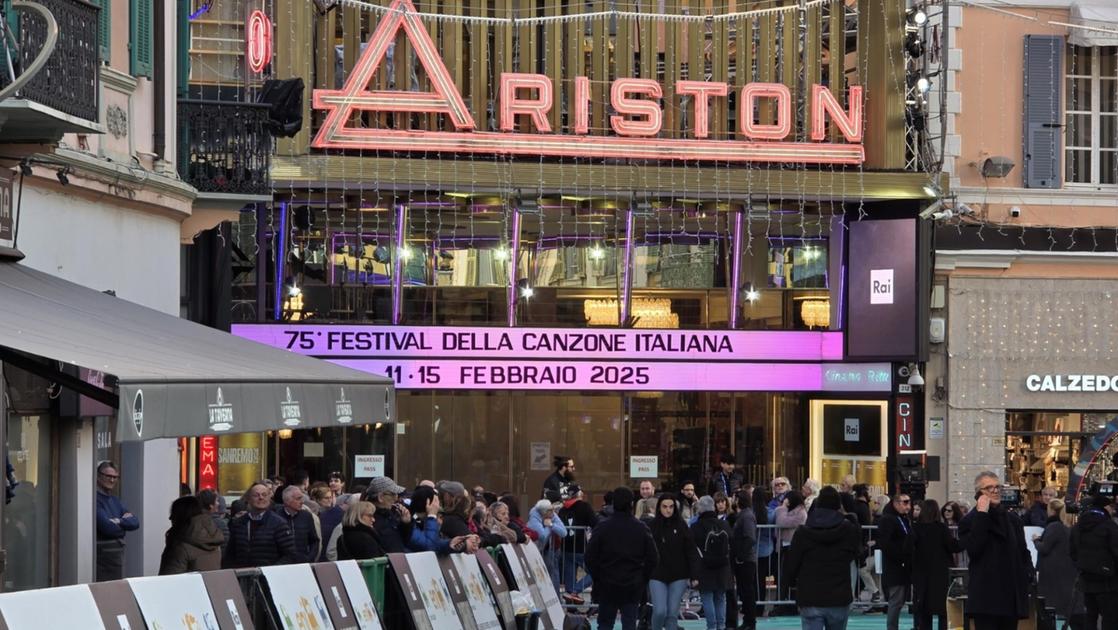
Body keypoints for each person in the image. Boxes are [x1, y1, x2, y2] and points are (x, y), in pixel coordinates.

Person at [958, 471, 1032, 630]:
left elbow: (1022, 551)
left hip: (1011, 595)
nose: (995, 490)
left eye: (997, 486)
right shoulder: (969, 521)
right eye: (988, 487)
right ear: (979, 493)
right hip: (986, 597)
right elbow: (974, 548)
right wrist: (982, 514)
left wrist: (1027, 575)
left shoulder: (1013, 520)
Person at [783, 487, 862, 630]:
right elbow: (856, 553)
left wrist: (791, 583)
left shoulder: (803, 533)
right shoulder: (848, 529)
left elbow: (792, 562)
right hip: (839, 595)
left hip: (810, 595)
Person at [586, 487, 659, 630]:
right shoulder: (641, 528)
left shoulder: (603, 527)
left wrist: (598, 575)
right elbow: (653, 557)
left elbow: (589, 556)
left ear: (613, 503)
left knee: (605, 623)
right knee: (629, 623)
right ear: (631, 504)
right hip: (632, 583)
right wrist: (643, 577)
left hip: (607, 582)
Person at [648, 493, 699, 630]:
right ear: (659, 508)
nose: (668, 510)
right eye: (664, 506)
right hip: (657, 575)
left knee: (672, 614)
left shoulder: (682, 526)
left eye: (671, 507)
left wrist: (694, 575)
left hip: (679, 575)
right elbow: (644, 551)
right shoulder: (652, 526)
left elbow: (691, 550)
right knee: (659, 611)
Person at [909, 499, 962, 630]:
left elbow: (907, 548)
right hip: (940, 575)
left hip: (922, 574)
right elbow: (953, 546)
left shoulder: (916, 528)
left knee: (924, 613)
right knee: (943, 612)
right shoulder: (941, 528)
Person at [1069, 492, 1118, 629]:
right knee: (1110, 620)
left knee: (1090, 617)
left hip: (1086, 582)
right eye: (1111, 507)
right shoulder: (1110, 526)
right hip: (1108, 584)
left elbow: (1073, 553)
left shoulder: (1077, 527)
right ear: (1105, 507)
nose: (1113, 510)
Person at [1034, 499, 1082, 630]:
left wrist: (1036, 540)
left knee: (1053, 608)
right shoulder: (1072, 528)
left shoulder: (1055, 527)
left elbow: (1045, 548)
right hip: (1068, 572)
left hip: (1053, 573)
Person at [224, 483, 296, 568]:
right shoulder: (239, 523)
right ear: (249, 499)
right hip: (243, 576)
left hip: (268, 576)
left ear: (269, 498)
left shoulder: (279, 524)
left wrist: (271, 571)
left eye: (264, 495)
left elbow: (289, 554)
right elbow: (230, 554)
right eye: (256, 495)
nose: (261, 498)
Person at [691, 496, 733, 630]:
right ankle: (721, 626)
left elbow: (692, 549)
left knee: (707, 597)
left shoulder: (696, 526)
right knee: (720, 597)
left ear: (700, 509)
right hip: (723, 566)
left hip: (704, 566)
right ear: (713, 507)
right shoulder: (724, 524)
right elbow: (731, 542)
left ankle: (711, 626)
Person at [95, 461, 139, 581]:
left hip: (115, 558)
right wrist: (123, 524)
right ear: (98, 476)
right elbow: (107, 527)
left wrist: (118, 522)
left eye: (115, 477)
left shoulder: (115, 500)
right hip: (103, 559)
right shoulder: (95, 500)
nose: (112, 480)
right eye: (108, 476)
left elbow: (135, 522)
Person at [159, 495, 224, 574]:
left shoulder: (180, 547)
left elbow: (168, 580)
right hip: (210, 585)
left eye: (173, 513)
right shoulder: (214, 541)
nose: (170, 518)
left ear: (179, 516)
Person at [877, 493, 913, 630]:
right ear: (896, 503)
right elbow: (885, 543)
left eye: (908, 503)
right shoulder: (888, 520)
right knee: (896, 601)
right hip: (895, 566)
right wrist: (901, 556)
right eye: (905, 503)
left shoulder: (903, 519)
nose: (908, 506)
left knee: (899, 601)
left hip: (902, 566)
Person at [558, 484, 598, 604]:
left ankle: (571, 606)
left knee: (569, 577)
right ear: (579, 494)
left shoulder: (562, 509)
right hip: (581, 547)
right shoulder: (584, 506)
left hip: (566, 547)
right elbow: (595, 523)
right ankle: (574, 592)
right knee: (596, 571)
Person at [528, 498, 568, 593]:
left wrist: (551, 525)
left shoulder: (551, 515)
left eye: (552, 509)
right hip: (536, 549)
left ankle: (556, 597)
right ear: (544, 512)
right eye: (550, 510)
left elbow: (564, 532)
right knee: (540, 575)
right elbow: (542, 536)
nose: (553, 512)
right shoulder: (534, 516)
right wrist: (549, 527)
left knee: (553, 574)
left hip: (550, 549)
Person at [365, 477, 414, 553]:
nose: (396, 498)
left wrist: (405, 524)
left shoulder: (390, 515)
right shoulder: (368, 518)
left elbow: (402, 541)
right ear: (380, 497)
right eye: (393, 494)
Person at [731, 489, 758, 630]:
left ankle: (750, 622)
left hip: (746, 560)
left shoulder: (746, 516)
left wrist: (740, 555)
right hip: (743, 558)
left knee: (747, 592)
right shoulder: (742, 515)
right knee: (744, 591)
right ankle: (748, 620)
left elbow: (750, 537)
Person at [850, 484, 880, 603]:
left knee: (861, 569)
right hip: (863, 544)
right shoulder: (863, 507)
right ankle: (874, 593)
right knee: (862, 569)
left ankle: (872, 593)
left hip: (862, 544)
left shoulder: (859, 507)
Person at [276, 485, 320, 563]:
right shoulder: (276, 517)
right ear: (287, 501)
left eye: (302, 498)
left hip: (303, 563)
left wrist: (310, 558)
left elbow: (314, 541)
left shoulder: (306, 516)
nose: (302, 501)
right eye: (298, 499)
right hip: (281, 564)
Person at [312, 485, 343, 561]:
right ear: (318, 500)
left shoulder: (337, 513)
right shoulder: (312, 514)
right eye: (326, 498)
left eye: (331, 497)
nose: (330, 500)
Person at [197, 488, 230, 555]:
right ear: (211, 506)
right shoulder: (220, 524)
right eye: (217, 501)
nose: (218, 504)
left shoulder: (194, 521)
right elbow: (224, 547)